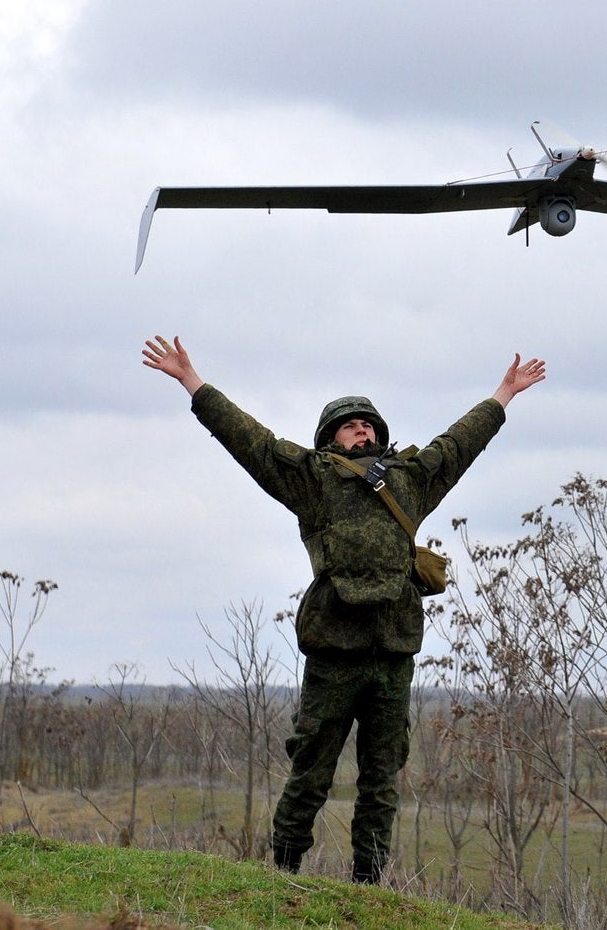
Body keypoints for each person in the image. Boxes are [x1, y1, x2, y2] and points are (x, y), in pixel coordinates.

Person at [142, 334, 546, 883]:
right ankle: (282, 873)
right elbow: (252, 443)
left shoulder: (408, 480)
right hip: (335, 652)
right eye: (352, 423)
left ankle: (369, 886)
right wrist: (193, 382)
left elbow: (458, 445)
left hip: (392, 654)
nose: (364, 428)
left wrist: (504, 393)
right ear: (330, 437)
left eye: (370, 423)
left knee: (382, 779)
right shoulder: (312, 481)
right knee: (311, 770)